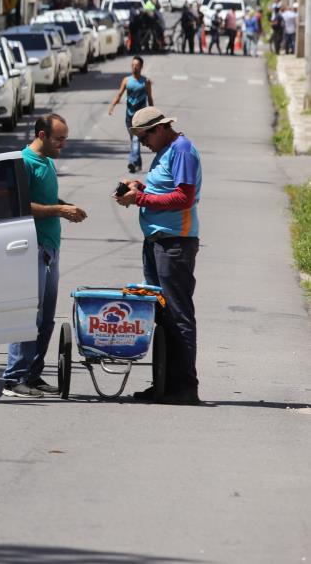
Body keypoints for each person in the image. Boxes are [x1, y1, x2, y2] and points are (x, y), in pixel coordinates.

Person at [114, 107, 202, 405]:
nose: (143, 144)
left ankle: (185, 386)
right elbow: (161, 188)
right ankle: (164, 383)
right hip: (156, 242)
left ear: (160, 128)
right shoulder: (164, 152)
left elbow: (183, 197)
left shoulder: (182, 150)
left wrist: (139, 198)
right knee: (161, 315)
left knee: (178, 314)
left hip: (175, 244)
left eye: (144, 137)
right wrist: (139, 186)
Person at [2, 113, 87, 398]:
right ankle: (14, 378)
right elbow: (21, 205)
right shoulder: (25, 162)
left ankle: (33, 375)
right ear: (42, 136)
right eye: (59, 139)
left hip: (52, 248)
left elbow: (47, 200)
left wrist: (66, 206)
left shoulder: (48, 162)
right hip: (32, 247)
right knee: (30, 315)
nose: (63, 144)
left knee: (47, 317)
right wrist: (60, 211)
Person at [108, 56, 154, 173]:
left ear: (141, 67)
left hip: (140, 117)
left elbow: (149, 98)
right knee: (134, 140)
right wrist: (112, 106)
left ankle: (132, 162)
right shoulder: (127, 80)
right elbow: (119, 94)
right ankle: (138, 163)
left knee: (135, 139)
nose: (134, 67)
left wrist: (153, 113)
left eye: (137, 65)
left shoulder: (146, 82)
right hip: (129, 116)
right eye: (133, 65)